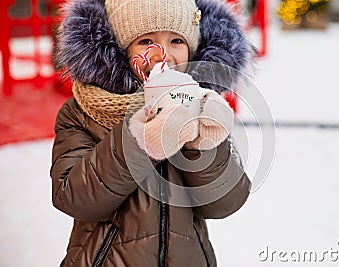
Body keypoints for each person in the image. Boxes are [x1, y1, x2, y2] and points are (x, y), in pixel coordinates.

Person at [51, 0, 254, 266]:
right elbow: (72, 196)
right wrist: (140, 142)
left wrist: (202, 143)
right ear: (121, 48)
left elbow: (226, 202)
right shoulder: (83, 112)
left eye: (177, 41)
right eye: (146, 41)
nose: (163, 55)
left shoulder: (198, 105)